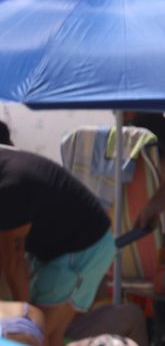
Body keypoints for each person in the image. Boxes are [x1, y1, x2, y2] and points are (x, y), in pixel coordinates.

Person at [0, 148, 116, 346]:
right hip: (48, 247)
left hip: (82, 249)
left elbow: (13, 262)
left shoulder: (10, 188)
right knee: (42, 335)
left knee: (34, 336)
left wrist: (22, 317)